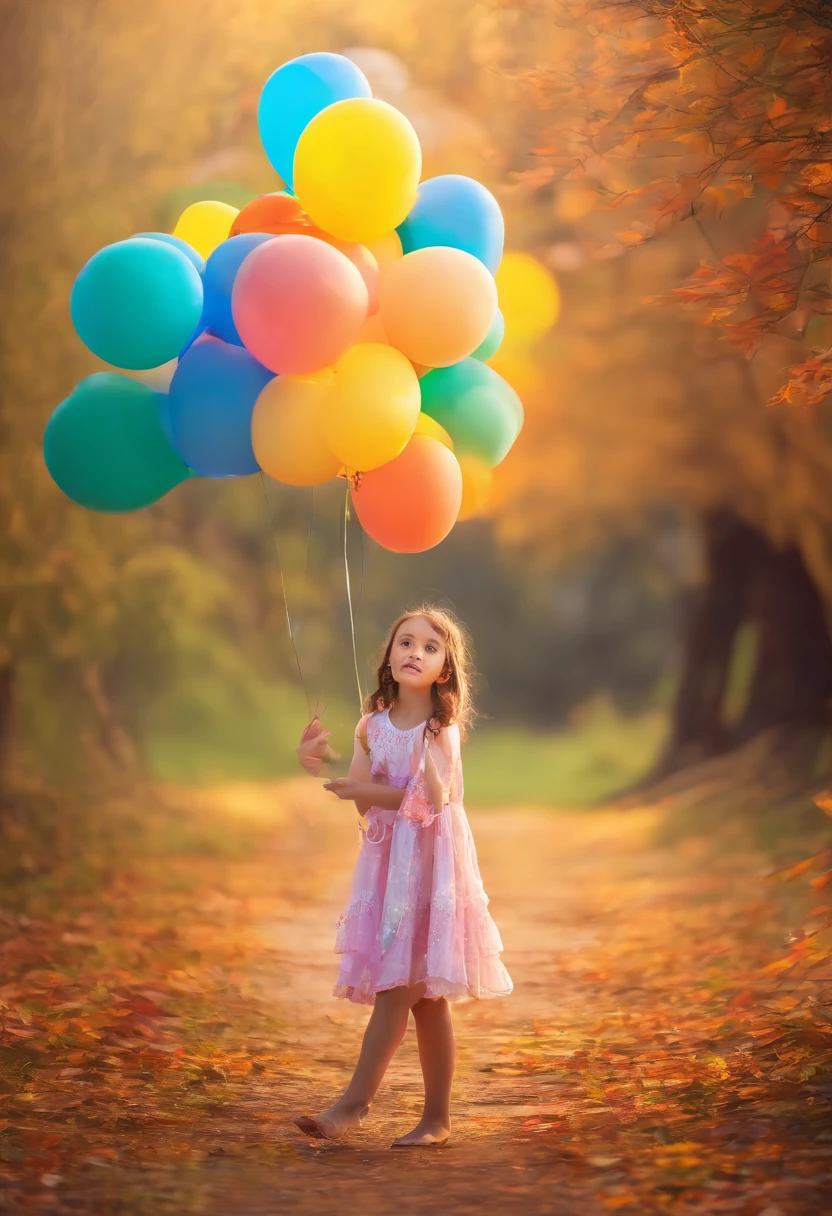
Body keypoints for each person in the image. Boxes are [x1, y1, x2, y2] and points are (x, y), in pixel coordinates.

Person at [293, 605, 513, 1148]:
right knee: (426, 998)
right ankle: (436, 1119)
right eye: (405, 643)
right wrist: (318, 765)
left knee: (398, 989)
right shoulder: (371, 725)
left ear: (445, 669)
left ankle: (352, 1105)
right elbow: (364, 806)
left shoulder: (441, 729)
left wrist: (366, 792)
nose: (415, 652)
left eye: (430, 647)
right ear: (389, 657)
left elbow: (435, 799)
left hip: (433, 867)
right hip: (391, 870)